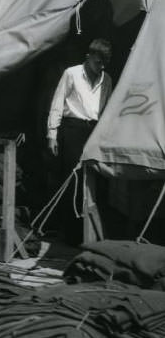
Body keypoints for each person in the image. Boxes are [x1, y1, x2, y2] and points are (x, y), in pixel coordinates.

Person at [47, 38, 113, 244]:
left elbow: (106, 109)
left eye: (105, 62)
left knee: (95, 180)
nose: (100, 66)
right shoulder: (71, 73)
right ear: (88, 57)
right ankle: (71, 233)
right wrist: (52, 133)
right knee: (73, 179)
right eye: (97, 62)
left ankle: (93, 233)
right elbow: (57, 102)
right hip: (73, 129)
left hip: (94, 130)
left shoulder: (107, 79)